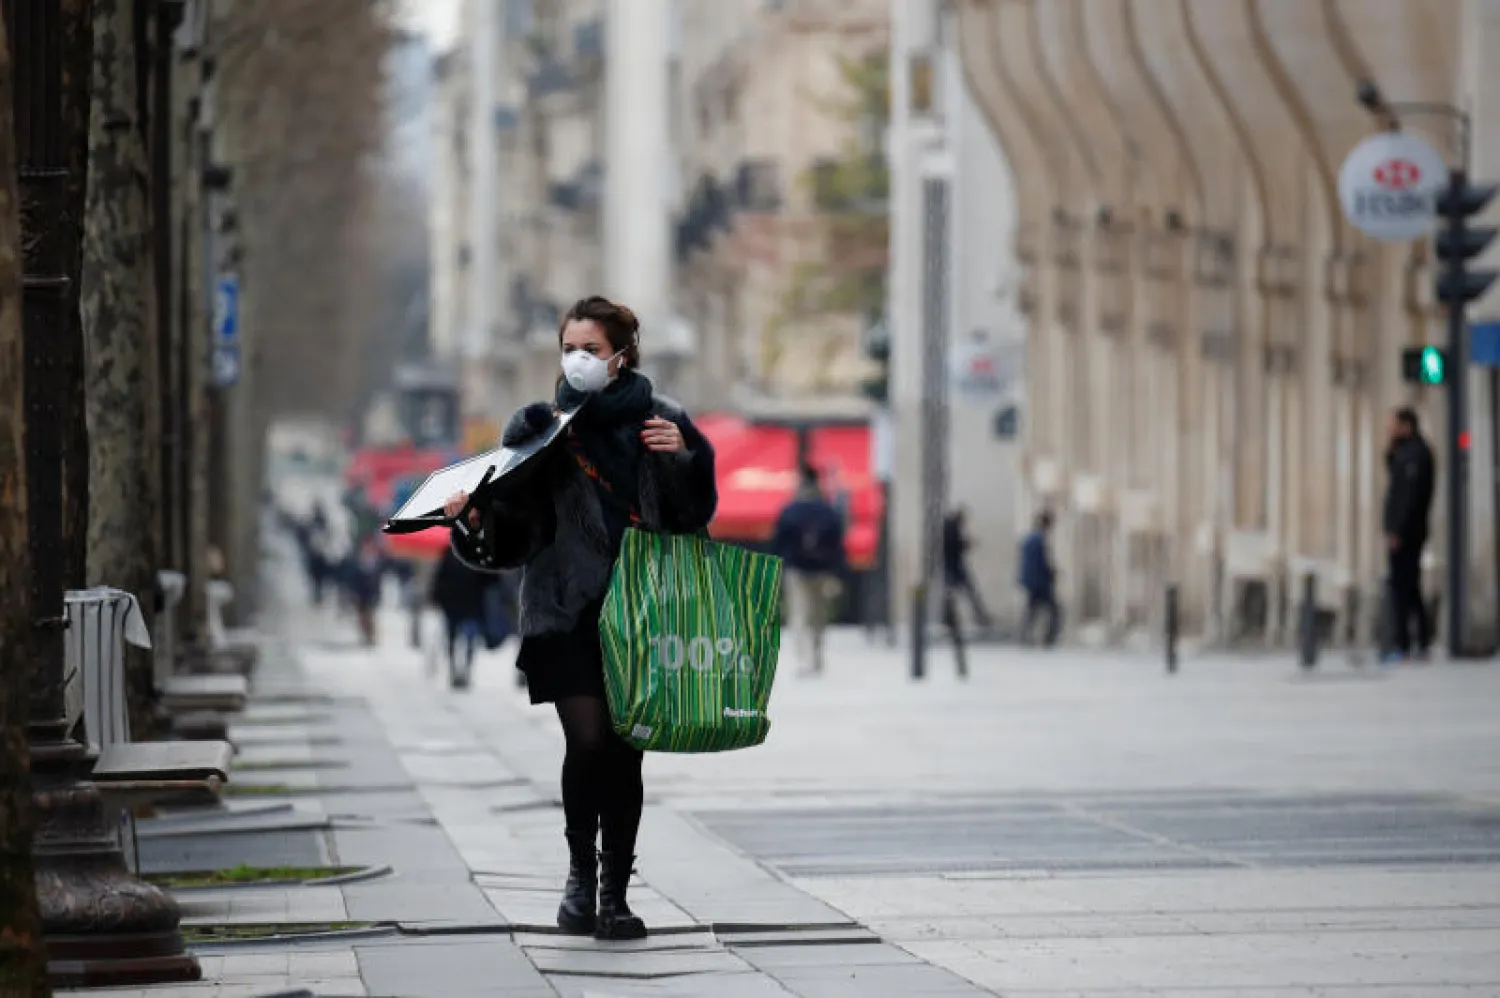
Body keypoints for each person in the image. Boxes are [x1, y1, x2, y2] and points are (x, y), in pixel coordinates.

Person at [443, 296, 717, 941]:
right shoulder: (538, 426)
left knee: (626, 752)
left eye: (591, 349)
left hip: (644, 611)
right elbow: (512, 536)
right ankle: (577, 879)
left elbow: (692, 515)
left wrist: (681, 457)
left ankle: (615, 892)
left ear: (623, 355)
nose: (578, 360)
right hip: (565, 610)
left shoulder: (665, 421)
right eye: (569, 348)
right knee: (589, 742)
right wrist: (475, 519)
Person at [772, 464, 846, 676]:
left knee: (799, 615)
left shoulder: (790, 510)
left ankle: (804, 660)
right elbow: (838, 544)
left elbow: (779, 542)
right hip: (823, 570)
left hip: (797, 570)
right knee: (819, 617)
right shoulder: (828, 511)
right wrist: (838, 572)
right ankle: (817, 656)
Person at [1382, 406, 1436, 663]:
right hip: (1404, 533)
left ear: (1407, 425)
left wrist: (1398, 531)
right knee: (1409, 588)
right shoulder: (1404, 452)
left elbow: (1410, 499)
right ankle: (1419, 641)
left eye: (1394, 425)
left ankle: (1405, 645)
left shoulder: (1417, 455)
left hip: (1408, 535)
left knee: (1403, 589)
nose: (1390, 429)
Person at [429, 545, 497, 690]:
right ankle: (455, 669)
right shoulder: (450, 551)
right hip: (455, 604)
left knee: (468, 638)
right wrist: (436, 597)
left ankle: (464, 669)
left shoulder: (478, 552)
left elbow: (489, 578)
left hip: (468, 604)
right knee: (454, 638)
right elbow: (441, 575)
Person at [942, 506, 991, 628]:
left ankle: (950, 618)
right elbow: (954, 546)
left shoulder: (950, 526)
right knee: (964, 593)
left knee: (956, 594)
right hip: (953, 567)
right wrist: (967, 543)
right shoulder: (951, 527)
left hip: (953, 566)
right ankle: (952, 618)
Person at [1018, 510, 1061, 646]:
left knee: (1032, 610)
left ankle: (1026, 636)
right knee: (1054, 610)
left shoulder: (1029, 538)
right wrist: (1051, 573)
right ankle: (1049, 637)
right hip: (1039, 582)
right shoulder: (1039, 540)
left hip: (1031, 581)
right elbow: (1041, 562)